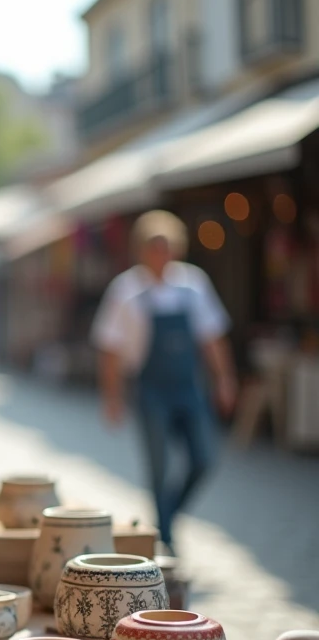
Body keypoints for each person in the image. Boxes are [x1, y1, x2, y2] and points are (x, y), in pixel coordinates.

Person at [92, 210, 237, 555]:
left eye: (166, 247)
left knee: (204, 457)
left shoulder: (193, 284)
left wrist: (225, 379)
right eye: (154, 247)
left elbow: (212, 337)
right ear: (142, 250)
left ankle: (168, 515)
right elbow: (109, 349)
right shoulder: (126, 290)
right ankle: (167, 536)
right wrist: (111, 397)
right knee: (159, 467)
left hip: (188, 386)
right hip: (150, 389)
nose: (161, 255)